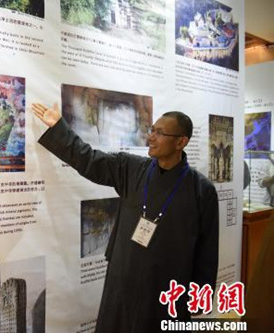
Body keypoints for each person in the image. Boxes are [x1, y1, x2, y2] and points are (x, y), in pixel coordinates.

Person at [31, 103, 219, 332]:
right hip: (124, 275)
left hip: (167, 287)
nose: (151, 137)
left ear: (181, 142)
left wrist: (200, 297)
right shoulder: (131, 168)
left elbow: (207, 251)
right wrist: (60, 128)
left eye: (160, 133)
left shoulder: (201, 190)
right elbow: (89, 159)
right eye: (152, 130)